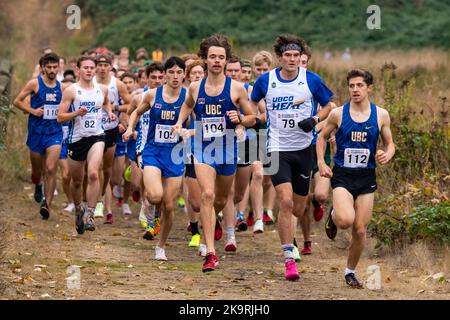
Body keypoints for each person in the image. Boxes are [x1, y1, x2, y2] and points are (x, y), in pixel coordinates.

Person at [251, 34, 334, 281]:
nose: (292, 59)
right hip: (277, 149)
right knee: (285, 202)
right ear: (280, 57)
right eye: (287, 55)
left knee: (298, 206)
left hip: (303, 150)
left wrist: (316, 119)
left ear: (301, 58)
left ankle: (311, 209)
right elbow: (252, 101)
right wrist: (257, 117)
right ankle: (289, 258)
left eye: (296, 56)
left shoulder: (311, 79)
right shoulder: (266, 80)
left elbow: (330, 104)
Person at [172, 34, 255, 272]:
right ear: (205, 60)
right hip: (202, 147)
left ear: (226, 61)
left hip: (228, 149)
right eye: (212, 57)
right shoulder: (196, 87)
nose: (217, 61)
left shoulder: (237, 88)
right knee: (207, 195)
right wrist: (180, 122)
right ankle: (210, 253)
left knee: (221, 199)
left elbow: (252, 118)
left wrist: (240, 118)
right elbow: (188, 104)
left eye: (221, 57)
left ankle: (212, 220)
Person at [318, 69, 395, 288]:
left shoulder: (381, 114)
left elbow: (390, 143)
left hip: (366, 176)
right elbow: (321, 138)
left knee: (360, 230)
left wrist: (387, 153)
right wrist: (323, 163)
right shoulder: (338, 114)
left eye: (359, 85)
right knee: (345, 221)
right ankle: (333, 215)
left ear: (369, 88)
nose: (355, 90)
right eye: (351, 86)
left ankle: (350, 271)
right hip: (343, 175)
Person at [123, 56, 187, 260]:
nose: (175, 76)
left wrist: (188, 133)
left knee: (169, 205)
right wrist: (130, 128)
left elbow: (197, 123)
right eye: (171, 73)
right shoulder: (152, 95)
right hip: (153, 152)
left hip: (176, 155)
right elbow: (135, 113)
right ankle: (148, 205)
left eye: (179, 72)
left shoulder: (188, 98)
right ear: (166, 75)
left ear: (184, 74)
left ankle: (161, 246)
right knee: (156, 196)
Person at [57, 55, 115, 234]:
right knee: (76, 181)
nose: (89, 70)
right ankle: (78, 208)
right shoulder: (71, 91)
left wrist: (110, 112)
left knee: (93, 174)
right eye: (86, 67)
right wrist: (76, 114)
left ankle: (90, 213)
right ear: (78, 70)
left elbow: (105, 103)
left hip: (97, 136)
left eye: (92, 67)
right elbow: (60, 117)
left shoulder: (102, 89)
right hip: (76, 139)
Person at [13, 53, 68, 219]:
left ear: (58, 67)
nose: (52, 70)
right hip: (36, 133)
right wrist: (32, 111)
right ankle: (37, 184)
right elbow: (17, 101)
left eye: (54, 67)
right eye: (49, 67)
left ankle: (47, 205)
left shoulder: (63, 87)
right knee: (38, 171)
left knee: (51, 169)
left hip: (55, 133)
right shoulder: (34, 84)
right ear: (43, 67)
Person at [92, 54, 131, 224]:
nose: (102, 68)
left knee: (110, 173)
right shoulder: (90, 82)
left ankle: (103, 194)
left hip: (111, 128)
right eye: (99, 64)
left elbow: (130, 104)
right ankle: (99, 202)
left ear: (110, 66)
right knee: (97, 166)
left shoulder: (118, 84)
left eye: (105, 64)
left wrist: (117, 111)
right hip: (93, 130)